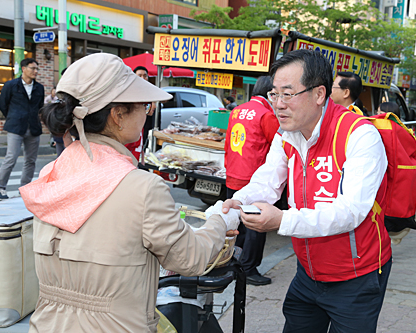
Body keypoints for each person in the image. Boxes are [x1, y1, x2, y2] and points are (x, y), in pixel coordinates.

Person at [19, 53, 240, 332]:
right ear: (118, 115)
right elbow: (190, 258)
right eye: (145, 105)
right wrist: (220, 220)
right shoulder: (142, 187)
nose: (148, 113)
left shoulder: (52, 172)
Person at [222, 49, 392, 332]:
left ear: (319, 94)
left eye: (288, 94)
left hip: (356, 276)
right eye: (274, 94)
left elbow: (350, 211)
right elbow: (267, 181)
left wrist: (281, 221)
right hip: (308, 272)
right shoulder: (286, 132)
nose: (278, 104)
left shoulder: (359, 134)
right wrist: (233, 204)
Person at [224, 76, 281, 286]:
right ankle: (248, 268)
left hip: (233, 173)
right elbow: (279, 148)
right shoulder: (266, 115)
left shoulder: (237, 111)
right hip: (253, 180)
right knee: (256, 227)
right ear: (270, 93)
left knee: (237, 223)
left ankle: (235, 261)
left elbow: (227, 142)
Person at [0, 58, 44, 200]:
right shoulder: (11, 85)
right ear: (23, 69)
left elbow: (39, 106)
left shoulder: (39, 87)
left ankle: (24, 188)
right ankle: (0, 187)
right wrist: (13, 117)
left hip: (33, 127)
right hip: (15, 127)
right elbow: (3, 105)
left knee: (31, 160)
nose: (35, 71)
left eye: (37, 69)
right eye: (32, 68)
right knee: (11, 157)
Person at [125, 66, 156, 162]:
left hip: (144, 126)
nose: (143, 78)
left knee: (139, 148)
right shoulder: (128, 90)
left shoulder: (150, 91)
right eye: (140, 75)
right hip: (130, 126)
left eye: (145, 76)